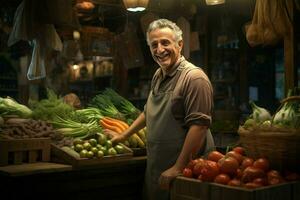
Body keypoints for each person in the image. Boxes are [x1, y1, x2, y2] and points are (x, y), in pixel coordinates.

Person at [104, 18, 214, 200]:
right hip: (158, 165)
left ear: (180, 44)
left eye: (165, 42)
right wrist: (124, 135)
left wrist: (178, 167)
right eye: (154, 45)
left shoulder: (194, 78)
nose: (159, 50)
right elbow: (148, 111)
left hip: (185, 172)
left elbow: (199, 127)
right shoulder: (158, 74)